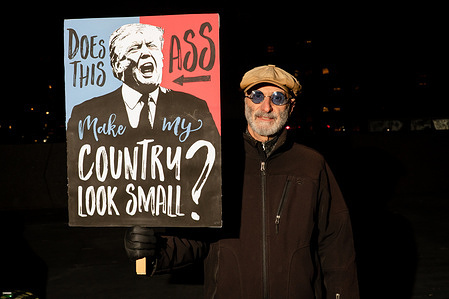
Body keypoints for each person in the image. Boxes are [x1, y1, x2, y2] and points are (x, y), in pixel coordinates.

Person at [124, 65, 359, 298]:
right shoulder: (216, 161)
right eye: (257, 96)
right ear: (245, 101)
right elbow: (196, 240)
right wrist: (151, 248)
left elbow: (337, 248)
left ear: (291, 106)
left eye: (278, 98)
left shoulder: (311, 165)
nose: (266, 107)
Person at [66, 23, 221, 226]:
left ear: (162, 59)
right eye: (135, 48)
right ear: (118, 64)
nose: (146, 53)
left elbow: (211, 177)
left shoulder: (194, 107)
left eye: (152, 46)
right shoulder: (86, 113)